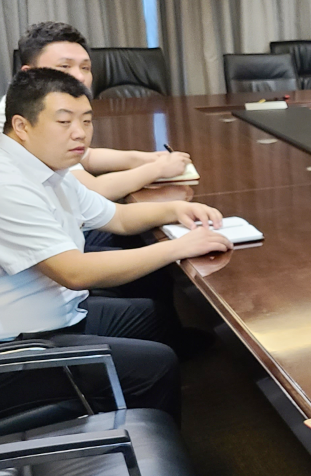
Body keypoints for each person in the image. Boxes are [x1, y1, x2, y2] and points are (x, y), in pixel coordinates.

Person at [0, 68, 234, 421]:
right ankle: (136, 436)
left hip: (57, 313)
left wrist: (175, 209)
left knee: (154, 318)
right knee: (156, 364)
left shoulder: (45, 166)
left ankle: (138, 408)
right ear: (21, 126)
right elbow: (75, 273)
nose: (80, 133)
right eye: (64, 122)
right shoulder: (9, 184)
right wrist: (178, 247)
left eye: (86, 121)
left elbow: (118, 217)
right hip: (20, 347)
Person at [6, 22, 192, 201]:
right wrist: (157, 169)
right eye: (64, 67)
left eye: (85, 68)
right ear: (29, 73)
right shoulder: (19, 121)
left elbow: (87, 157)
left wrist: (147, 158)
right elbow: (93, 191)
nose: (80, 76)